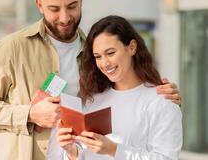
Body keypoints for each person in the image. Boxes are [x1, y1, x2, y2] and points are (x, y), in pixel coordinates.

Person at [0, 0, 181, 160]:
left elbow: (123, 95)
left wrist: (156, 94)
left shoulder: (92, 52)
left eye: (71, 6)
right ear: (39, 5)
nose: (65, 17)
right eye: (54, 9)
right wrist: (29, 114)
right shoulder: (12, 48)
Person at [56, 15, 182, 160]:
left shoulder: (161, 100)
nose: (104, 63)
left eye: (110, 53)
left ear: (132, 48)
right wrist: (72, 152)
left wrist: (114, 149)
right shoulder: (94, 99)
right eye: (98, 56)